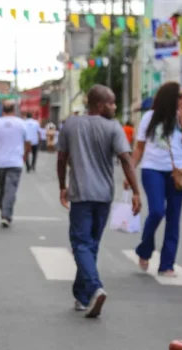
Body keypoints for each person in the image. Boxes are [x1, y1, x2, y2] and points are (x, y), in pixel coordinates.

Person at [57, 84, 141, 318]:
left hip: (81, 195)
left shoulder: (71, 124)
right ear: (99, 105)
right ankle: (82, 296)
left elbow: (61, 158)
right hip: (104, 196)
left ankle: (94, 288)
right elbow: (125, 159)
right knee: (90, 244)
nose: (115, 107)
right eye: (112, 103)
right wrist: (136, 191)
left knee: (81, 245)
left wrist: (62, 186)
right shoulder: (113, 127)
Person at [131, 82, 182, 276]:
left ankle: (167, 264)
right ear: (170, 98)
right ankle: (145, 248)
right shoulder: (149, 118)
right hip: (152, 169)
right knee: (157, 211)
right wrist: (131, 172)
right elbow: (139, 147)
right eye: (180, 96)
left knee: (173, 218)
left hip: (177, 173)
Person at [0, 101, 31, 227]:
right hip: (15, 162)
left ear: (2, 110)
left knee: (3, 189)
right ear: (14, 110)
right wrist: (25, 155)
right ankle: (5, 212)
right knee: (10, 190)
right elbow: (28, 142)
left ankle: (5, 213)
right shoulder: (21, 124)